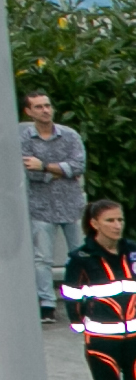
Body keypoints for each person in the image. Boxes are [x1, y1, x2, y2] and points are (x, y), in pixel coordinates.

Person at [59, 195, 136, 380]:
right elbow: (72, 295)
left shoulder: (135, 251)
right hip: (102, 340)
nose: (117, 225)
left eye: (120, 219)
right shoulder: (81, 257)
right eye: (110, 220)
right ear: (95, 223)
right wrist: (80, 323)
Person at [20, 84, 83, 319]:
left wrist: (45, 166)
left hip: (71, 204)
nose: (45, 110)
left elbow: (79, 166)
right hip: (41, 207)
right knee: (42, 258)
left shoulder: (69, 135)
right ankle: (47, 303)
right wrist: (62, 170)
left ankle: (78, 300)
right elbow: (31, 173)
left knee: (78, 255)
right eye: (39, 107)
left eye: (47, 105)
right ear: (29, 112)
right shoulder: (24, 139)